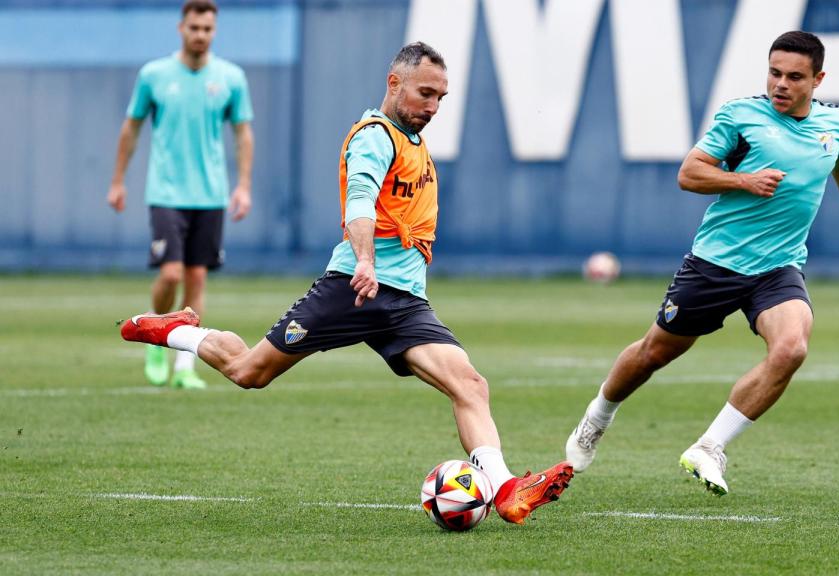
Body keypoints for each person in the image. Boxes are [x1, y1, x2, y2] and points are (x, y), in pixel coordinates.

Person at [118, 42, 573, 524]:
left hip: (404, 304)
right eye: (425, 94)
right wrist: (364, 260)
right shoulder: (374, 137)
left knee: (470, 384)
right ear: (393, 83)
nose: (434, 107)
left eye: (442, 97)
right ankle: (172, 330)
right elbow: (359, 201)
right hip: (353, 289)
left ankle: (505, 490)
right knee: (250, 371)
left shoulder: (414, 144)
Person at [565, 31, 839, 495]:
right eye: (774, 72)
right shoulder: (741, 116)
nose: (781, 84)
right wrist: (743, 180)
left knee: (791, 348)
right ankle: (597, 417)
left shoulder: (835, 123)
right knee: (656, 352)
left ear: (818, 80)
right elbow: (688, 173)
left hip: (778, 268)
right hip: (716, 264)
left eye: (795, 77)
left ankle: (710, 447)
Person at [108, 0, 254, 390]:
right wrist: (118, 180)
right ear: (181, 28)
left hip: (210, 194)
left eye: (207, 29)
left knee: (196, 280)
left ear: (214, 31)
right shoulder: (154, 74)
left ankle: (185, 367)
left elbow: (243, 133)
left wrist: (243, 185)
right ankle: (154, 335)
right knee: (170, 273)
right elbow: (131, 127)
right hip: (166, 190)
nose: (200, 35)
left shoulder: (230, 77)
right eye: (194, 28)